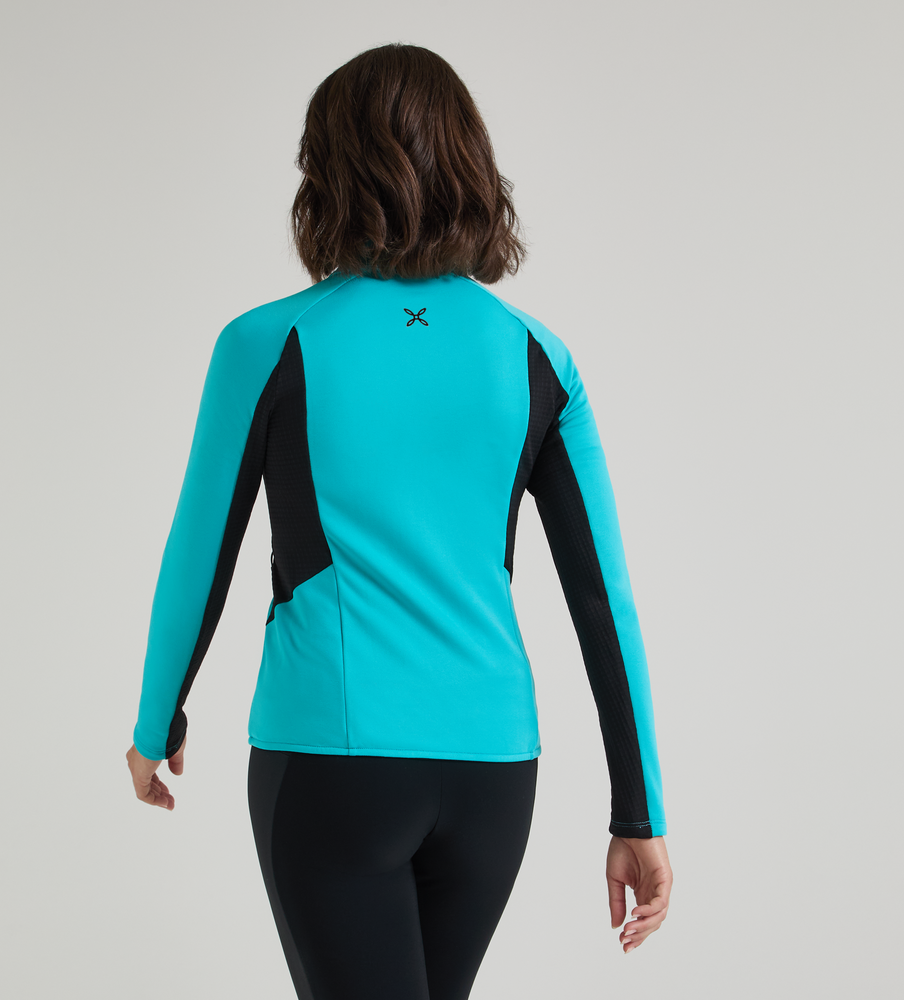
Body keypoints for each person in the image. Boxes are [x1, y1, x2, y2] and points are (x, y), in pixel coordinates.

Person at [125, 42, 672, 1000]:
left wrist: (154, 717)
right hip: (493, 774)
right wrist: (640, 811)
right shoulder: (538, 356)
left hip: (333, 764)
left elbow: (198, 551)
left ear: (327, 172)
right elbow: (605, 599)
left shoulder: (267, 341)